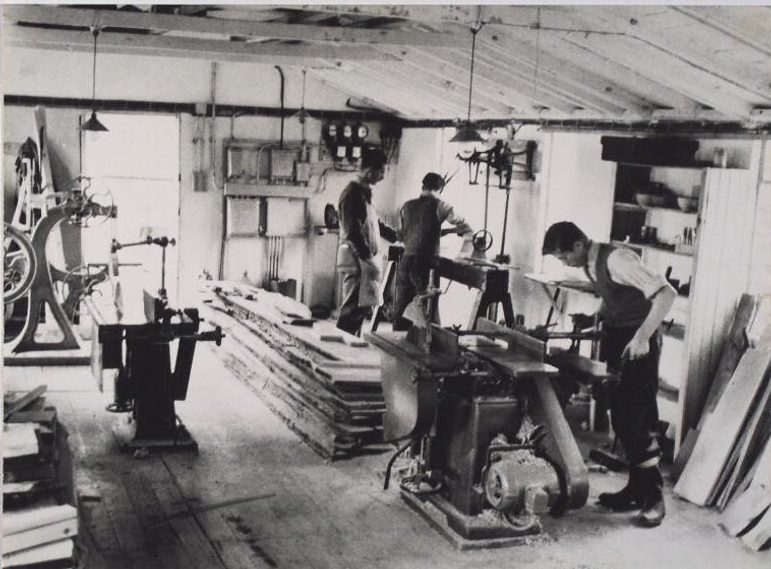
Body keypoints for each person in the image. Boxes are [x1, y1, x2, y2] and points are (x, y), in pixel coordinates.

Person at [541, 221, 676, 528]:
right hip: (618, 337)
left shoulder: (618, 259)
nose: (566, 264)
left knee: (637, 418)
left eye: (564, 257)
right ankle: (636, 489)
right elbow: (617, 297)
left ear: (578, 245)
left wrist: (642, 337)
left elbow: (666, 294)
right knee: (621, 416)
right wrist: (595, 319)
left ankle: (654, 497)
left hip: (639, 340)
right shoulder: (591, 262)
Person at [392, 172, 474, 331]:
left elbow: (402, 235)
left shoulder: (406, 206)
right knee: (427, 309)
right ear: (440, 189)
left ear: (422, 187)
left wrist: (444, 232)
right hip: (425, 265)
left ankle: (397, 342)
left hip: (406, 261)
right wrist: (464, 234)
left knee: (402, 308)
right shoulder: (442, 206)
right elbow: (464, 225)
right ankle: (429, 347)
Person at [335, 148, 396, 335]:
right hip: (357, 259)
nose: (383, 177)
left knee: (361, 309)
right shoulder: (352, 193)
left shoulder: (364, 192)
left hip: (364, 259)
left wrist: (396, 235)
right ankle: (338, 351)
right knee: (352, 309)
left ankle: (352, 346)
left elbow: (372, 221)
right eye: (382, 172)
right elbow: (352, 232)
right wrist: (367, 259)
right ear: (370, 170)